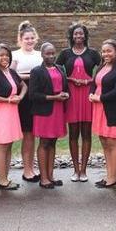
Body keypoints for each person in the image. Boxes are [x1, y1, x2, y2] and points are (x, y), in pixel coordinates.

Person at [56, 23, 101, 182]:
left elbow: (104, 69)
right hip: (72, 95)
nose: (78, 37)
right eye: (75, 34)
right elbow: (56, 69)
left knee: (86, 133)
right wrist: (69, 79)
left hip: (88, 94)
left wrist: (92, 80)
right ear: (71, 36)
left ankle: (84, 170)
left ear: (85, 36)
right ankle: (75, 170)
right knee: (74, 133)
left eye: (81, 34)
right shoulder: (65, 54)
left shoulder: (93, 53)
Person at [0, 44, 27, 190]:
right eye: (1, 55)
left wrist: (20, 97)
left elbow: (24, 86)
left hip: (12, 110)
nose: (5, 58)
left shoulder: (11, 72)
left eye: (7, 55)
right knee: (2, 145)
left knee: (9, 144)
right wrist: (8, 100)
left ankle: (6, 178)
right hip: (1, 111)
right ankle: (2, 181)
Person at [29, 43, 69, 189]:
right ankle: (43, 178)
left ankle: (51, 176)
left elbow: (65, 87)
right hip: (44, 111)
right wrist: (54, 98)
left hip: (58, 110)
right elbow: (33, 95)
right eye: (48, 54)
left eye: (53, 53)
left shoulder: (60, 68)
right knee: (44, 142)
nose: (51, 56)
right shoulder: (37, 71)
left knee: (53, 142)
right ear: (42, 54)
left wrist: (65, 94)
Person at [90, 39, 116, 189]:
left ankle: (113, 178)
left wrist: (99, 98)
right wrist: (91, 93)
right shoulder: (102, 66)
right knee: (104, 142)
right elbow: (94, 83)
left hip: (112, 110)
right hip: (99, 109)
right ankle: (108, 175)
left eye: (109, 51)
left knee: (113, 143)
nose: (106, 54)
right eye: (104, 51)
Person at [11, 21, 43, 182]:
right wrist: (32, 76)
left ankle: (34, 165)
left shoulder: (40, 55)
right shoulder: (15, 55)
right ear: (20, 39)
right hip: (25, 97)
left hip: (39, 97)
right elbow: (12, 75)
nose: (29, 41)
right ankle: (27, 169)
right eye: (26, 38)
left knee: (38, 134)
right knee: (28, 135)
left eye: (32, 38)